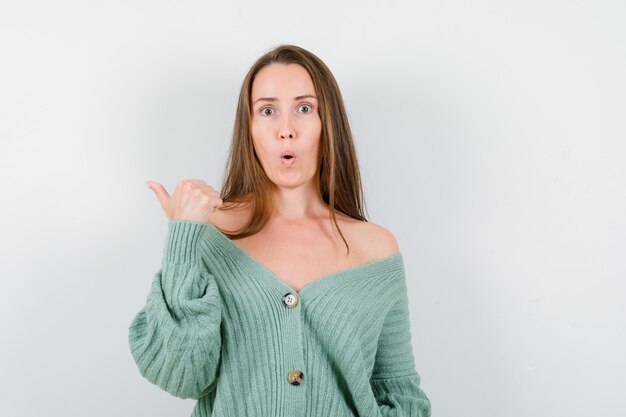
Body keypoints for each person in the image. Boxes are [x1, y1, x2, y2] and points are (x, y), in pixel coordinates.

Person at [129, 44, 432, 417]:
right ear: (250, 129)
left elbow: (399, 394)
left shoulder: (376, 249)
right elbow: (181, 377)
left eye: (304, 109)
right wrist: (183, 237)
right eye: (268, 111)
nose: (286, 130)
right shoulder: (210, 235)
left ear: (327, 124)